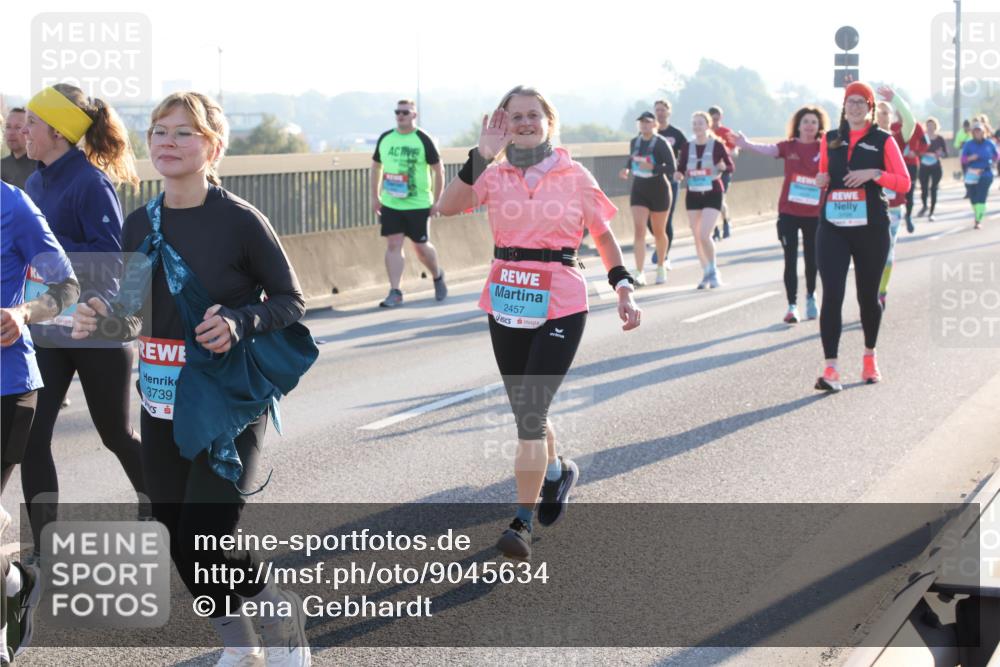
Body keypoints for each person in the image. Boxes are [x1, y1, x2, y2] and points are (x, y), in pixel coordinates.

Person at [71, 91, 316, 666]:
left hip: (226, 399)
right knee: (174, 533)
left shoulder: (239, 221)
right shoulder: (139, 223)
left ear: (212, 146)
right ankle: (239, 645)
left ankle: (281, 619)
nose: (168, 142)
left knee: (209, 535)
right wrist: (100, 314)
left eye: (183, 132)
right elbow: (133, 310)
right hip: (161, 399)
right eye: (158, 131)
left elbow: (291, 301)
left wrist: (239, 320)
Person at [435, 85, 641, 561]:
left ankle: (521, 522)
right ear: (503, 125)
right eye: (515, 117)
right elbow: (446, 207)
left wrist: (623, 286)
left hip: (561, 301)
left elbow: (604, 237)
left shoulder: (574, 174)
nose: (524, 123)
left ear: (549, 121)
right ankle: (556, 472)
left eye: (533, 115)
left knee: (529, 414)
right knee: (528, 411)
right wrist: (480, 156)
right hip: (507, 296)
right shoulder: (493, 172)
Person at [19, 84, 147, 561]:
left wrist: (64, 277)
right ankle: (45, 546)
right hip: (49, 331)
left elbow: (112, 260)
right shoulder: (34, 183)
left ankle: (160, 507)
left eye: (32, 122)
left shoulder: (92, 183)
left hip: (96, 330)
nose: (23, 130)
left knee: (116, 435)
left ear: (57, 129)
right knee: (30, 437)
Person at [1, 181, 79, 662]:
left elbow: (66, 286)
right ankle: (15, 580)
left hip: (6, 385)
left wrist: (24, 311)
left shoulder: (12, 204)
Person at [813, 82, 910, 392]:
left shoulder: (883, 140)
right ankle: (831, 369)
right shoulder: (830, 139)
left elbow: (904, 183)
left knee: (867, 297)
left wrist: (874, 174)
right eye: (849, 101)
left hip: (871, 228)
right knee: (832, 295)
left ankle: (869, 356)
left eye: (860, 102)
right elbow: (825, 176)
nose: (854, 107)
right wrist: (821, 179)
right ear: (844, 106)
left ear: (870, 107)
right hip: (833, 226)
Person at [734, 105, 829, 323]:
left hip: (814, 214)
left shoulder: (824, 148)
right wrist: (746, 144)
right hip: (789, 212)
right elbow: (767, 149)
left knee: (812, 259)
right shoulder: (789, 146)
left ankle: (811, 296)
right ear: (798, 125)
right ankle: (792, 305)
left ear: (819, 126)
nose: (809, 126)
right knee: (790, 259)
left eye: (814, 122)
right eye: (805, 121)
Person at [370, 99, 447, 307]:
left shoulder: (423, 138)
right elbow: (376, 167)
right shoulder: (386, 138)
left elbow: (438, 170)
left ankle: (437, 275)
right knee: (393, 244)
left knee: (420, 247)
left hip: (419, 203)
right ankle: (395, 291)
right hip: (391, 202)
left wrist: (437, 200)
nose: (401, 115)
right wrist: (375, 196)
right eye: (398, 112)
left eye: (405, 112)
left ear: (414, 115)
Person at [677, 111, 734, 289]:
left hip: (713, 192)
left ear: (707, 125)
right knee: (696, 237)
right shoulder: (687, 146)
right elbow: (681, 167)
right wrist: (678, 174)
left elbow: (730, 166)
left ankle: (714, 271)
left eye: (700, 123)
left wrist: (723, 167)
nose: (697, 127)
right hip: (693, 194)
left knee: (704, 234)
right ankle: (706, 272)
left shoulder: (717, 145)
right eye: (694, 124)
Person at [619, 111, 675, 285]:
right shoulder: (635, 142)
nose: (644, 125)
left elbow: (672, 167)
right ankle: (639, 272)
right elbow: (632, 160)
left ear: (654, 125)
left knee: (659, 231)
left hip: (659, 189)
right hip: (639, 189)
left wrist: (653, 166)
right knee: (639, 230)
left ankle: (660, 265)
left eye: (647, 122)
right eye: (641, 122)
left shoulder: (661, 143)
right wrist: (627, 170)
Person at [881, 88, 925, 233]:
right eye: (878, 112)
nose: (881, 116)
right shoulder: (866, 137)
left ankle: (909, 216)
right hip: (872, 201)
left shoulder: (897, 136)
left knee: (889, 247)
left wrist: (895, 99)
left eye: (885, 112)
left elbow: (911, 122)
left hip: (904, 174)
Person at [651, 99, 687, 269]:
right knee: (650, 221)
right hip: (650, 182)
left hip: (670, 181)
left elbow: (687, 154)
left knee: (667, 219)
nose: (660, 113)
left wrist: (682, 171)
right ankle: (661, 244)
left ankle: (663, 255)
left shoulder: (676, 134)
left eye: (663, 110)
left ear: (668, 112)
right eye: (657, 110)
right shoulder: (649, 133)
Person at [960, 121, 998, 229]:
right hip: (972, 174)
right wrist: (971, 158)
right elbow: (963, 160)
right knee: (973, 198)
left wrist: (993, 161)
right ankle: (979, 212)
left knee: (981, 197)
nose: (977, 133)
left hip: (985, 173)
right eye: (975, 131)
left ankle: (978, 220)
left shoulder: (989, 143)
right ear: (972, 133)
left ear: (983, 132)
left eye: (979, 131)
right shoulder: (968, 144)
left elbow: (996, 156)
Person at [708, 106, 738, 239]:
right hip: (707, 171)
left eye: (717, 118)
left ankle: (726, 221)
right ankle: (714, 229)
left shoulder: (726, 132)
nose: (715, 121)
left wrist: (723, 155)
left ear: (721, 117)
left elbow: (735, 152)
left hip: (723, 170)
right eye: (712, 119)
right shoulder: (705, 132)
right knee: (709, 202)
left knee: (719, 200)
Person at [917, 117, 947, 221]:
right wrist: (924, 153)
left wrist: (940, 154)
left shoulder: (940, 139)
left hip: (936, 167)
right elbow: (917, 151)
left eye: (932, 125)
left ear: (936, 126)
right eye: (928, 125)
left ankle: (931, 213)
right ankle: (925, 206)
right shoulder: (923, 138)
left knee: (934, 189)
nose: (930, 127)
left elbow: (945, 154)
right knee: (924, 188)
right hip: (924, 166)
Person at [1, 108, 38, 190]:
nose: (11, 132)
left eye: (18, 127)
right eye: (8, 127)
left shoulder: (40, 168)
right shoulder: (2, 165)